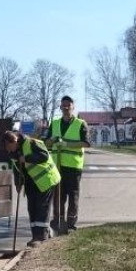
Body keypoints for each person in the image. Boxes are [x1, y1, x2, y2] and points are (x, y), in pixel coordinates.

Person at [3, 130, 61, 247]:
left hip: (45, 179)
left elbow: (44, 156)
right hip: (31, 182)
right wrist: (17, 183)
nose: (8, 150)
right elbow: (16, 169)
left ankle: (41, 236)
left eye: (9, 146)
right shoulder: (13, 153)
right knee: (32, 208)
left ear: (15, 141)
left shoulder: (33, 143)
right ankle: (36, 235)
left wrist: (27, 158)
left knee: (41, 207)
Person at [44, 95, 90, 234]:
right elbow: (45, 143)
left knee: (73, 196)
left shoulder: (81, 124)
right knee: (59, 196)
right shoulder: (55, 123)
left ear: (73, 107)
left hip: (73, 167)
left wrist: (66, 144)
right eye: (63, 106)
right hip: (57, 166)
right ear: (60, 107)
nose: (65, 108)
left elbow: (86, 143)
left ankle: (70, 224)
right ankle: (58, 222)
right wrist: (52, 140)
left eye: (68, 106)